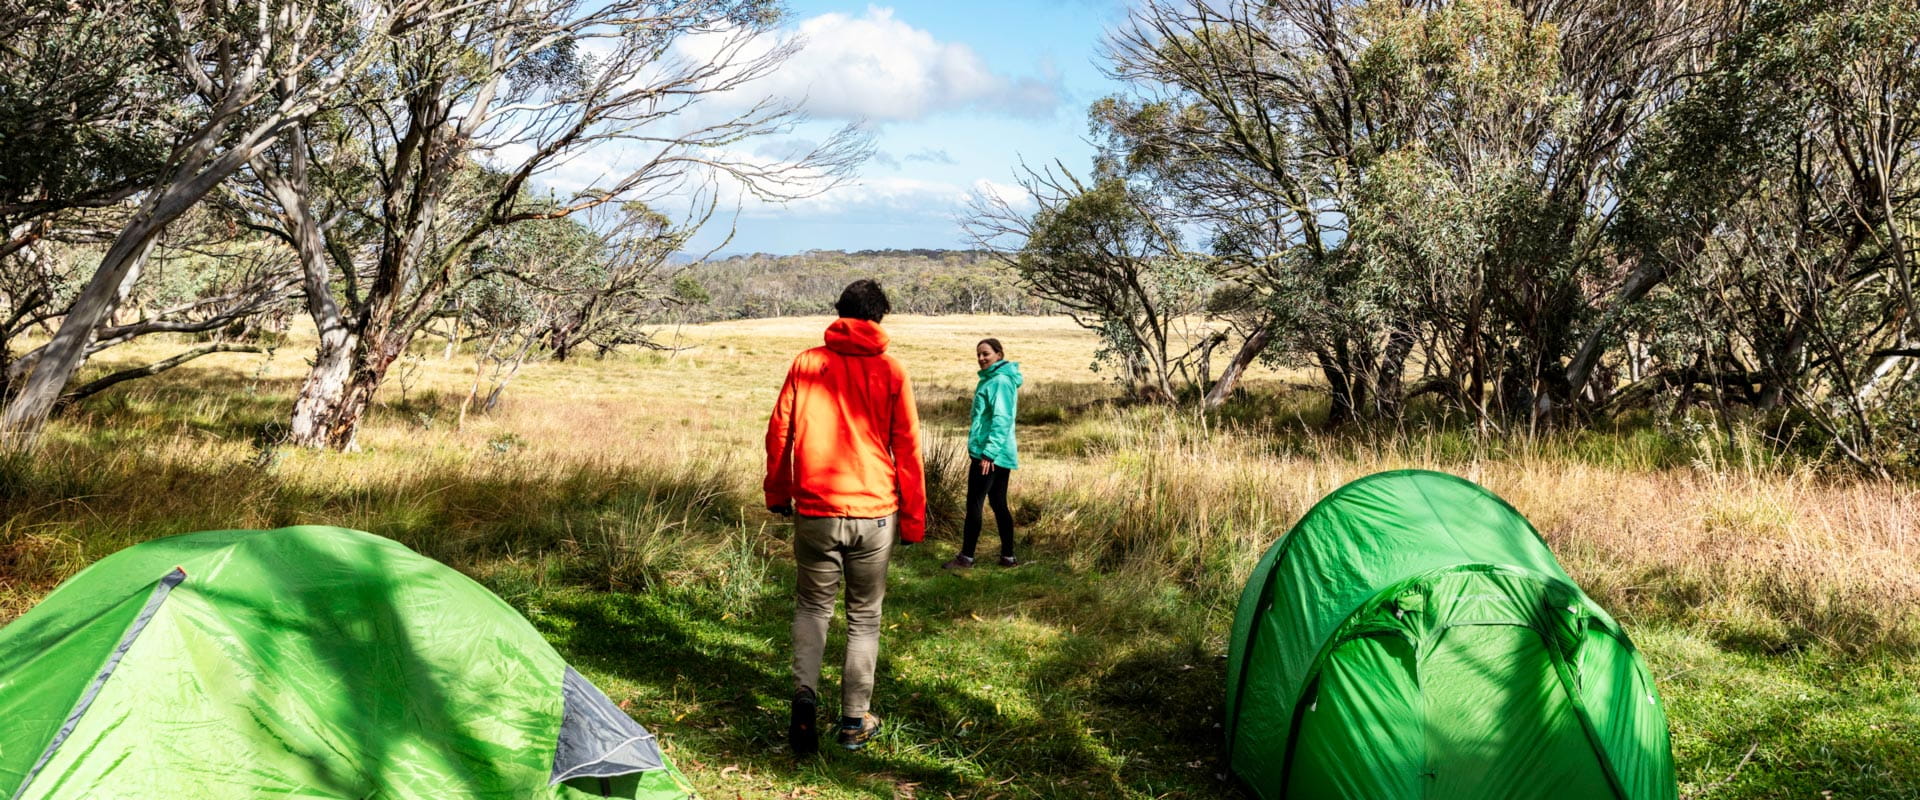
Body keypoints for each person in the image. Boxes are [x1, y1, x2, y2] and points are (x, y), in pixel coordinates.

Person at [764, 279, 926, 756]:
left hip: (815, 508)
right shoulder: (892, 371)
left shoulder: (807, 363)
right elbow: (908, 449)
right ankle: (854, 722)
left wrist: (779, 491)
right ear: (878, 318)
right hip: (876, 512)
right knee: (864, 619)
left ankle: (804, 701)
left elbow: (780, 432)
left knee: (812, 608)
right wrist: (913, 519)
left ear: (840, 312)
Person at [944, 338, 1022, 570]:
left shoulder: (998, 381)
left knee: (974, 504)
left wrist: (988, 453)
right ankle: (1008, 557)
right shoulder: (995, 379)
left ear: (999, 354)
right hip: (999, 453)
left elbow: (1001, 419)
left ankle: (966, 557)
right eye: (978, 354)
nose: (981, 358)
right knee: (998, 503)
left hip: (989, 454)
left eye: (986, 354)